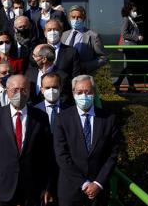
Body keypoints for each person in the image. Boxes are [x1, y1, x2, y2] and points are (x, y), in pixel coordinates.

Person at [0, 74, 55, 206]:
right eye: (15, 90)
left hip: (32, 187)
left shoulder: (40, 117)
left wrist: (47, 186)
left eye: (24, 89)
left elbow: (47, 155)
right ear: (7, 91)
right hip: (3, 186)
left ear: (29, 91)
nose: (20, 93)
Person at [54, 75, 121, 206]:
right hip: (70, 191)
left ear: (94, 92)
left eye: (87, 92)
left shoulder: (108, 119)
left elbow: (113, 154)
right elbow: (62, 155)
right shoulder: (62, 119)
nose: (83, 96)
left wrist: (98, 183)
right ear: (73, 93)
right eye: (79, 92)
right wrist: (84, 184)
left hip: (98, 192)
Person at [62, 6, 109, 75]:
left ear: (84, 18)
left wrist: (85, 66)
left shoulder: (93, 36)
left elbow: (103, 58)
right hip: (65, 75)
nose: (76, 19)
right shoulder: (64, 35)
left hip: (83, 76)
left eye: (79, 17)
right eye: (73, 17)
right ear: (69, 18)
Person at [44, 19, 81, 93]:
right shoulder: (37, 50)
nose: (52, 32)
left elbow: (75, 78)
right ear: (44, 33)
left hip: (64, 96)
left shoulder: (72, 52)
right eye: (49, 30)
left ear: (61, 32)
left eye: (55, 29)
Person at [114, 2, 143, 93]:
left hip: (132, 46)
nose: (136, 12)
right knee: (130, 67)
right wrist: (137, 37)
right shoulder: (127, 19)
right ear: (129, 11)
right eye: (134, 10)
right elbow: (124, 33)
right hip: (129, 46)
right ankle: (128, 86)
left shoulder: (131, 20)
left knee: (129, 67)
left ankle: (122, 84)